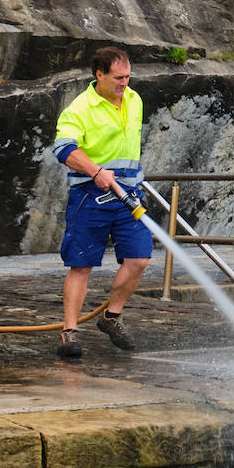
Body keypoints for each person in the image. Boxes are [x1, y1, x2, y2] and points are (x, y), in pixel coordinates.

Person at [51, 46, 151, 359]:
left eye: (128, 76)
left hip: (128, 196)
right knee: (81, 265)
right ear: (100, 75)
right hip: (90, 196)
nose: (125, 83)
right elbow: (64, 149)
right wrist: (95, 171)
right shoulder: (80, 108)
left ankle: (111, 317)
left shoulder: (134, 100)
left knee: (139, 259)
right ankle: (69, 332)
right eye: (118, 77)